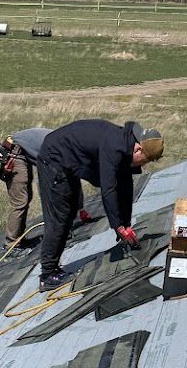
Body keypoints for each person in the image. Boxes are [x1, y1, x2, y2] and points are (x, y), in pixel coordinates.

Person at [36, 119, 164, 291]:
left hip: (68, 158)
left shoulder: (127, 143)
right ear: (138, 148)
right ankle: (48, 274)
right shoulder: (114, 146)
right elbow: (109, 189)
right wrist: (117, 226)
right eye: (143, 161)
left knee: (71, 209)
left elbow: (125, 187)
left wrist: (126, 224)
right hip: (54, 158)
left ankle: (52, 269)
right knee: (60, 216)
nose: (142, 165)